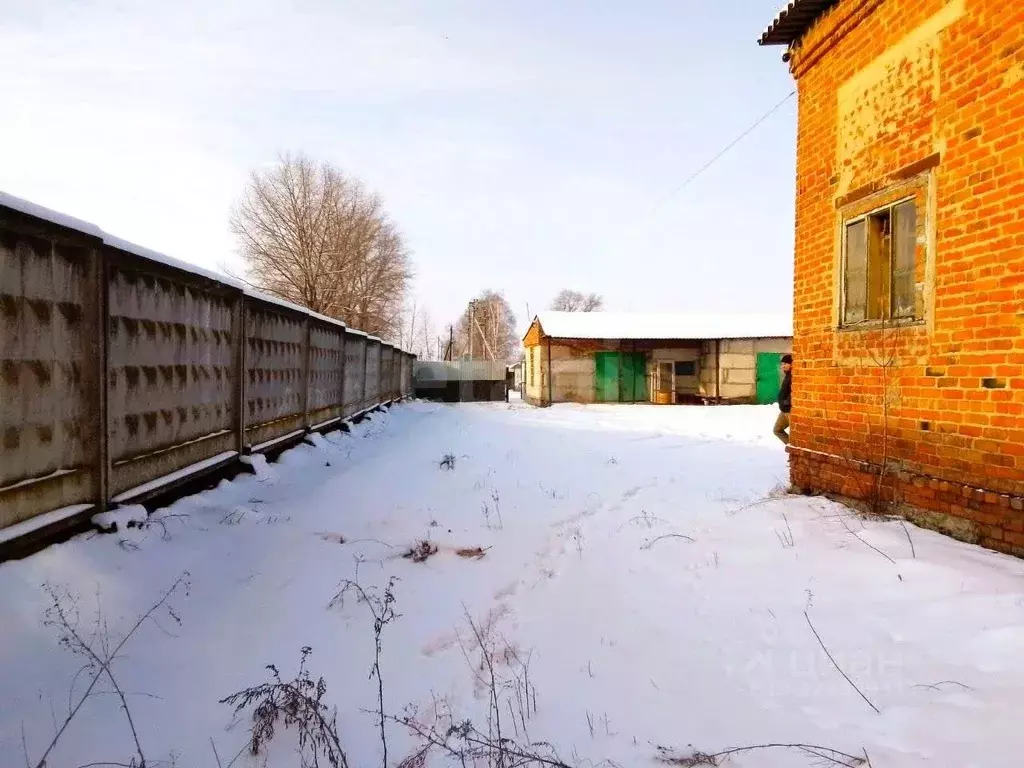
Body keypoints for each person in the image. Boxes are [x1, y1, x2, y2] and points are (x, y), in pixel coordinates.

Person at [774, 354, 793, 445]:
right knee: (777, 430)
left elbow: (794, 392)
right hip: (784, 410)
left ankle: (794, 449)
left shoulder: (794, 376)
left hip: (790, 411)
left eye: (786, 363)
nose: (783, 366)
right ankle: (792, 445)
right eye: (782, 364)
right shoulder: (787, 376)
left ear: (792, 364)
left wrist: (786, 402)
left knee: (795, 434)